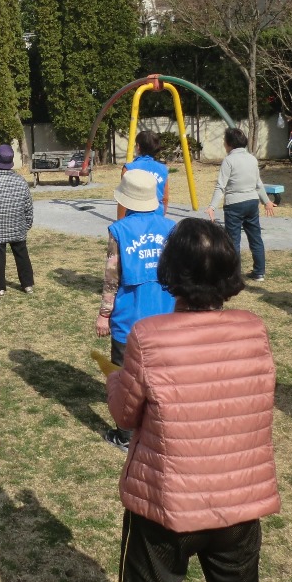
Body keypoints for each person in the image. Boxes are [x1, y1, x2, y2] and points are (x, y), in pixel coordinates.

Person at [107, 218, 280, 582]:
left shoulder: (148, 337)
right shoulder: (254, 329)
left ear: (170, 269)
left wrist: (115, 380)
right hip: (238, 502)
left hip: (165, 506)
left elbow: (124, 414)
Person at [95, 169, 176, 453]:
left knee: (125, 376)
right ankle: (159, 427)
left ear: (126, 199)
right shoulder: (171, 227)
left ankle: (126, 434)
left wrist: (104, 313)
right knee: (161, 374)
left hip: (129, 317)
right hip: (165, 313)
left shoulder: (119, 230)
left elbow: (112, 276)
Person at [206, 127, 276, 282]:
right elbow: (258, 184)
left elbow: (221, 186)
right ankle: (259, 272)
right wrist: (267, 202)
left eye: (224, 141)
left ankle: (234, 275)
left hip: (234, 205)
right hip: (252, 203)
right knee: (255, 237)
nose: (223, 144)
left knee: (233, 241)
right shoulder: (252, 159)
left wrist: (212, 206)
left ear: (229, 143)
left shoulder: (229, 161)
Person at [0, 143, 35, 296]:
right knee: (22, 255)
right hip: (18, 224)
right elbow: (28, 205)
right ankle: (27, 285)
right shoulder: (21, 180)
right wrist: (27, 223)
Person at [117, 130, 169, 220]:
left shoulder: (129, 168)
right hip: (157, 215)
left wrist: (120, 221)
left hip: (133, 217)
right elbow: (165, 198)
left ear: (138, 147)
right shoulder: (163, 169)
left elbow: (123, 198)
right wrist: (161, 217)